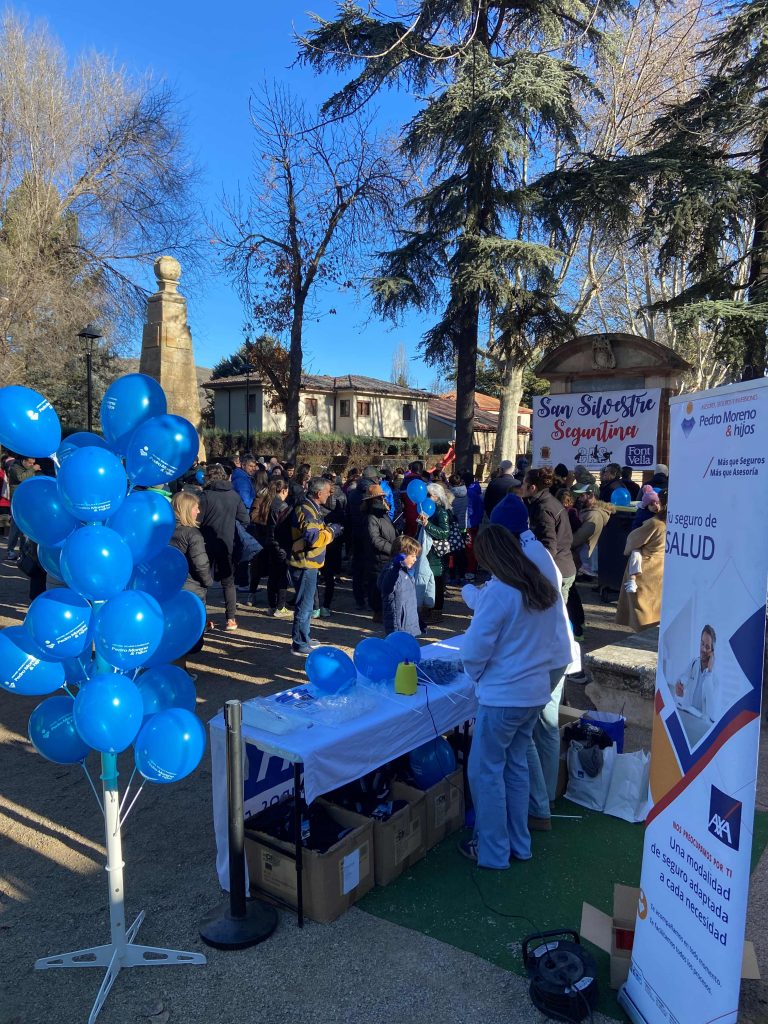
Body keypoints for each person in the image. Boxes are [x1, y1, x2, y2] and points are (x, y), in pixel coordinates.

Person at [458, 524, 573, 868]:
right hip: (533, 692)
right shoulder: (539, 586)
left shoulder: (500, 591)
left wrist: (477, 676)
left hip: (505, 696)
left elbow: (475, 650)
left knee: (485, 772)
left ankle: (493, 851)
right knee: (516, 766)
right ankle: (520, 844)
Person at [288, 476, 342, 655]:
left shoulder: (311, 507)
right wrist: (332, 532)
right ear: (319, 493)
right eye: (328, 492)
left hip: (309, 562)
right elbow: (313, 538)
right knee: (305, 604)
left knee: (307, 603)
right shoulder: (307, 510)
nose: (329, 495)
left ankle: (305, 636)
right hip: (304, 564)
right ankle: (299, 642)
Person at [198, 463, 250, 632]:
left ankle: (202, 619)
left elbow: (197, 520)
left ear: (208, 477)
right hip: (227, 542)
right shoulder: (234, 495)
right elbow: (245, 519)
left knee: (202, 582)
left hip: (206, 543)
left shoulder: (205, 496)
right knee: (228, 582)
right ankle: (231, 619)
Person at [169, 491, 213, 667]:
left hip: (170, 588)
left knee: (175, 631)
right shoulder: (192, 534)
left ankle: (179, 668)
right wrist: (208, 581)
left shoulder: (166, 531)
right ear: (187, 509)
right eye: (195, 507)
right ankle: (180, 671)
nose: (198, 510)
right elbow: (201, 564)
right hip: (191, 590)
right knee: (189, 635)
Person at [522, 466, 577, 604]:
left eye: (524, 483)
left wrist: (537, 571)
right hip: (561, 566)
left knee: (555, 618)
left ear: (532, 487)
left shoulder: (544, 508)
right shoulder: (544, 501)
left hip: (557, 570)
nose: (521, 486)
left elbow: (549, 545)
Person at [616, 490, 667, 631]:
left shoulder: (655, 524)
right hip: (661, 568)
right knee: (655, 609)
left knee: (643, 610)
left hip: (646, 569)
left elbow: (633, 540)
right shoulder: (674, 522)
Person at [361, 483, 396, 621]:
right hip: (378, 558)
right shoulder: (371, 517)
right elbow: (375, 540)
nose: (383, 500)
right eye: (381, 497)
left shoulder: (383, 514)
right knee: (377, 587)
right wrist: (392, 548)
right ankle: (378, 612)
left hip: (387, 556)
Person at [379, 535, 422, 636]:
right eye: (412, 556)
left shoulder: (407, 571)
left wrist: (416, 621)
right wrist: (395, 568)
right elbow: (386, 587)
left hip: (409, 624)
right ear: (401, 555)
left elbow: (410, 599)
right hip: (398, 626)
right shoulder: (392, 571)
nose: (415, 559)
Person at [674, 625, 719, 722]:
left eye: (707, 647)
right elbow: (682, 679)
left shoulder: (715, 677)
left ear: (713, 652)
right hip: (688, 717)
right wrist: (679, 687)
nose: (703, 649)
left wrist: (709, 673)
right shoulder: (694, 663)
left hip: (702, 725)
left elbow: (712, 713)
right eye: (702, 644)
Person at [262, 478, 293, 617]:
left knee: (272, 575)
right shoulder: (282, 506)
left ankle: (271, 605)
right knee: (282, 576)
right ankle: (280, 607)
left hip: (269, 542)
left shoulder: (269, 502)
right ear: (284, 490)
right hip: (279, 543)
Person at [422, 482, 451, 623]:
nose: (425, 497)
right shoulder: (426, 509)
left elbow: (444, 532)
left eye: (428, 495)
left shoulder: (441, 512)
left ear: (436, 497)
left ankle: (437, 611)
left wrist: (428, 525)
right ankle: (427, 608)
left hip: (437, 553)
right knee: (427, 581)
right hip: (426, 551)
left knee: (437, 582)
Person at [320, 471, 346, 616]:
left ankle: (317, 606)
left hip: (320, 545)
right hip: (333, 543)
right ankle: (326, 606)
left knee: (315, 578)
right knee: (329, 577)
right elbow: (344, 522)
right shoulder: (340, 503)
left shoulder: (317, 508)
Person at [6, 455, 40, 561]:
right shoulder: (15, 467)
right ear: (23, 460)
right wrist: (32, 469)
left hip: (27, 501)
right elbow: (21, 477)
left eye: (33, 463)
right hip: (17, 501)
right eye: (29, 463)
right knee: (15, 527)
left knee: (25, 528)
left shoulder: (29, 468)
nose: (31, 465)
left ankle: (23, 552)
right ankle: (10, 550)